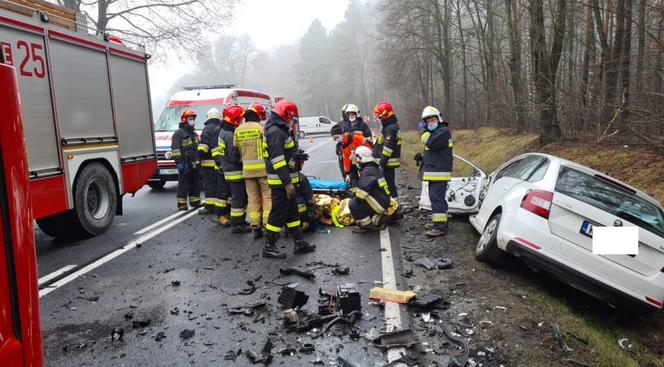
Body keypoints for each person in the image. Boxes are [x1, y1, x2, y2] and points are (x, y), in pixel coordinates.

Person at [263, 99, 316, 258]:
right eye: (291, 118)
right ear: (285, 115)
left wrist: (295, 155)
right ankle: (268, 246)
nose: (292, 121)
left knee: (293, 212)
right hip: (281, 183)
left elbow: (285, 154)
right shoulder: (275, 132)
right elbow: (277, 160)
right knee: (278, 213)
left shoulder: (281, 130)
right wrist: (287, 183)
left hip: (287, 180)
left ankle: (299, 242)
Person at [234, 102, 271, 239]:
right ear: (257, 117)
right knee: (267, 197)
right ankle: (268, 225)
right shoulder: (261, 129)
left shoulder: (238, 130)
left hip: (247, 171)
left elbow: (235, 149)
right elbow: (267, 147)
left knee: (252, 198)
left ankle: (255, 226)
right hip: (263, 170)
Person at [216, 104, 251, 234]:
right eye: (240, 119)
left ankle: (240, 220)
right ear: (234, 119)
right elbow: (233, 156)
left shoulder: (223, 132)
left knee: (239, 197)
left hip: (229, 171)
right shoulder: (229, 135)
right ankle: (237, 224)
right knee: (239, 198)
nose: (241, 121)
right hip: (235, 172)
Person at [419, 106, 453, 237]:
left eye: (432, 120)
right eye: (427, 122)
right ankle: (437, 223)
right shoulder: (437, 132)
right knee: (435, 198)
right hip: (435, 172)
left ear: (439, 119)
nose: (430, 123)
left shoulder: (443, 131)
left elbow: (431, 143)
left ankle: (440, 228)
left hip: (439, 173)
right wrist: (421, 157)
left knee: (437, 199)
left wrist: (423, 132)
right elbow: (434, 152)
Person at [349, 146, 392, 233]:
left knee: (353, 204)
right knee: (360, 200)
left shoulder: (367, 172)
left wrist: (354, 197)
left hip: (379, 203)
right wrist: (353, 167)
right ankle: (378, 219)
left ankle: (366, 226)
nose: (353, 158)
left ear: (361, 158)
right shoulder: (373, 168)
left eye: (355, 156)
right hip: (383, 200)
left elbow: (360, 196)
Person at [171, 109, 201, 210]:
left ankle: (195, 201)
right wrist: (179, 162)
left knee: (195, 183)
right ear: (184, 119)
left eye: (193, 118)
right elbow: (175, 150)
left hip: (194, 164)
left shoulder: (194, 134)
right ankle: (182, 203)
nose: (192, 120)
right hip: (185, 163)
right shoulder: (178, 134)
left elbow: (197, 148)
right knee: (184, 184)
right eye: (190, 118)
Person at [372, 102, 401, 199]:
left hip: (387, 163)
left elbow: (388, 148)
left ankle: (395, 206)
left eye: (379, 117)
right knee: (388, 184)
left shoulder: (390, 128)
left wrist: (382, 163)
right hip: (387, 162)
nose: (379, 119)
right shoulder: (388, 126)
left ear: (385, 115)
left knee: (389, 185)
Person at [196, 108, 223, 214]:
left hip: (208, 163)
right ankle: (219, 206)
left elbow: (204, 146)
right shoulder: (220, 127)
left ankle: (210, 207)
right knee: (219, 185)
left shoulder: (207, 128)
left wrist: (198, 158)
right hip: (220, 162)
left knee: (210, 185)